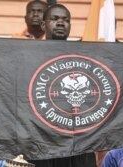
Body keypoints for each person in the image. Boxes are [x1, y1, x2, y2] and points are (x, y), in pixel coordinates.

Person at [27, 4, 96, 167]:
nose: (60, 23)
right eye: (55, 19)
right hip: (42, 141)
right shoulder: (29, 55)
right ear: (43, 25)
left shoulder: (85, 56)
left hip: (79, 141)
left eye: (65, 20)